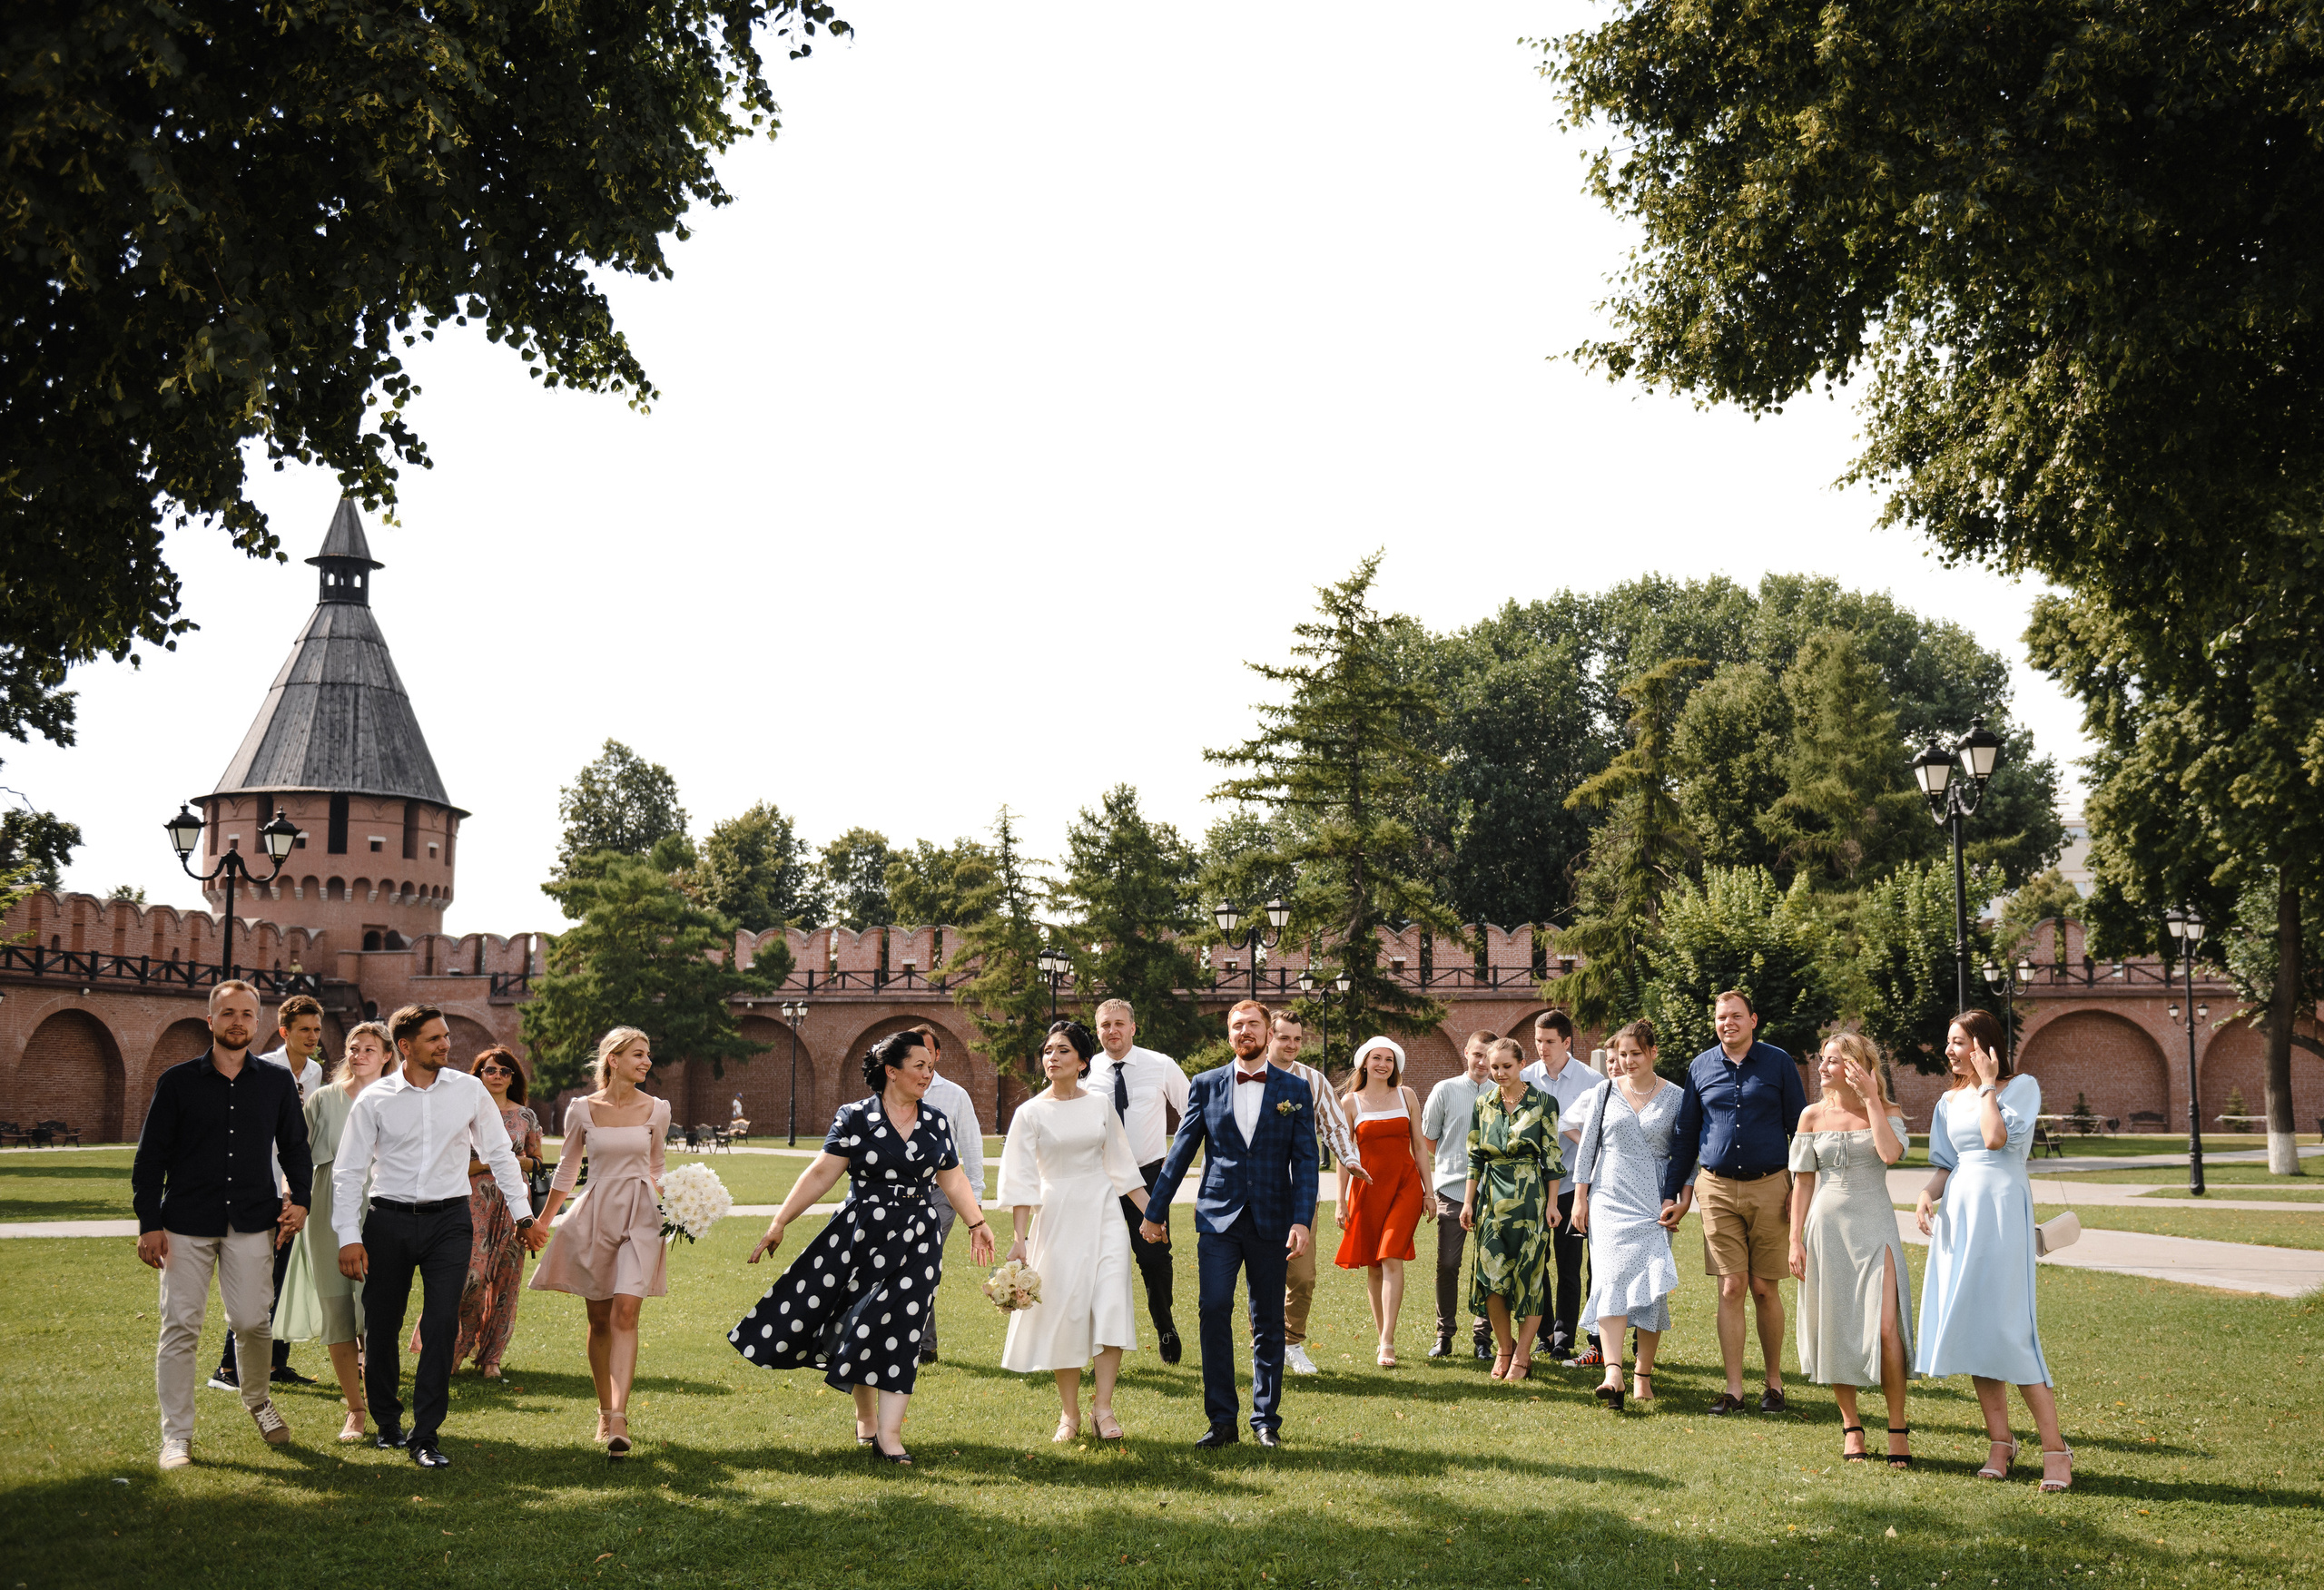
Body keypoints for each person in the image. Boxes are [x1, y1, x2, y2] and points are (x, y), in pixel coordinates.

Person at [734, 1031, 996, 1466]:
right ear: (891, 1070)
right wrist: (780, 1222)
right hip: (863, 1236)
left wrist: (977, 1223)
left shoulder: (936, 1122)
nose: (927, 1075)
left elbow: (952, 1178)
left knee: (906, 1329)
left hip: (919, 1236)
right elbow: (822, 1173)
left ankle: (890, 1436)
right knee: (862, 1323)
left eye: (931, 1068)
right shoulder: (854, 1117)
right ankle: (866, 1416)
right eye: (919, 1066)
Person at [334, 1005, 542, 1469]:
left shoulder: (468, 1090)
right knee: (382, 1323)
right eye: (434, 1039)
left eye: (446, 1036)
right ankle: (387, 1423)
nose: (446, 1044)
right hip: (388, 1220)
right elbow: (348, 1171)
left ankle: (425, 1435)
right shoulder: (375, 1098)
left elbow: (500, 1155)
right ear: (405, 1046)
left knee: (442, 1323)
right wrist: (348, 1235)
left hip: (450, 1220)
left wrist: (524, 1217)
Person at [132, 980, 312, 1468]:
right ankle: (177, 1435)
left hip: (253, 1220)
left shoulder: (276, 1083)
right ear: (210, 1020)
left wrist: (301, 1201)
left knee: (253, 1322)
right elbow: (150, 1158)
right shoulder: (177, 1082)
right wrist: (149, 1222)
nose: (238, 1022)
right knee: (180, 1327)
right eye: (228, 1013)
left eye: (247, 1014)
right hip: (185, 1223)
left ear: (258, 1022)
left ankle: (257, 1400)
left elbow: (296, 1147)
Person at [1138, 999, 1316, 1448]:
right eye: (1237, 1026)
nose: (1245, 1032)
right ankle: (1221, 1421)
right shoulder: (1206, 1084)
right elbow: (1181, 1151)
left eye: (1253, 1025)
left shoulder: (1294, 1089)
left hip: (1273, 1220)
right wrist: (1154, 1211)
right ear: (1230, 1034)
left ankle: (1266, 1420)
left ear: (1268, 1034)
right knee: (1214, 1309)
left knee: (1268, 1318)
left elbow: (1306, 1161)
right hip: (1218, 1218)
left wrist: (1302, 1220)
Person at [1915, 1009, 2073, 1492]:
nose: (1949, 1050)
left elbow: (1994, 1138)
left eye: (1958, 1042)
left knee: (2010, 1330)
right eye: (1948, 1041)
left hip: (2002, 1213)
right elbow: (1947, 1165)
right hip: (1960, 1217)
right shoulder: (1947, 1101)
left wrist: (1987, 1085)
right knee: (1976, 1332)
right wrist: (1925, 1194)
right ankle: (2000, 1444)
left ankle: (2055, 1450)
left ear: (1984, 1046)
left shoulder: (2020, 1087)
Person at [998, 1021, 1150, 1440]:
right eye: (1048, 1051)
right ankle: (1070, 1414)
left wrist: (1151, 1215)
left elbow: (1122, 1166)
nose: (1052, 1057)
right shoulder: (1030, 1112)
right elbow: (1021, 1180)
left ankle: (1104, 1409)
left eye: (1063, 1050)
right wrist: (1019, 1239)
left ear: (1083, 1061)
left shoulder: (1100, 1105)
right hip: (1057, 1217)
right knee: (1066, 1312)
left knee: (1110, 1304)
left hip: (1103, 1214)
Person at [1662, 989, 1807, 1415]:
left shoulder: (1779, 1063)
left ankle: (1774, 1384)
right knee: (1731, 1286)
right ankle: (1734, 1389)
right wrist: (1674, 1193)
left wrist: (1798, 1188)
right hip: (1717, 1189)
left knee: (1764, 1287)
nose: (1728, 1023)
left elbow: (1800, 1131)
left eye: (1736, 1016)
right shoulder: (1701, 1066)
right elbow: (1686, 1134)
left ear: (1753, 1020)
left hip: (1771, 1187)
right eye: (1721, 1017)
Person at [529, 1027, 667, 1458]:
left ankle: (620, 1418)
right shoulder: (582, 1109)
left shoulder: (657, 1109)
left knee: (626, 1311)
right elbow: (568, 1168)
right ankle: (605, 1411)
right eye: (638, 1055)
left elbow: (658, 1166)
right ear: (613, 1059)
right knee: (599, 1318)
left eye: (648, 1055)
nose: (646, 1062)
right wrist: (544, 1222)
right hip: (595, 1214)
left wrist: (682, 1206)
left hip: (642, 1216)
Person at [1788, 1033, 1916, 1465]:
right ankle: (1852, 1427)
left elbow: (1890, 1153)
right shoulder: (1811, 1116)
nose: (1822, 1068)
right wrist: (1794, 1240)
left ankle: (1897, 1426)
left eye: (1831, 1061)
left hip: (1875, 1225)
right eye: (1822, 1060)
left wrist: (1872, 1100)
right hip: (1825, 1228)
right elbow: (1803, 1182)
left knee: (1886, 1329)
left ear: (1857, 1067)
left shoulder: (1887, 1111)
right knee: (1835, 1326)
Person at [276, 1020, 392, 1442]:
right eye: (353, 1048)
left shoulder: (398, 1098)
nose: (359, 1055)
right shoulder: (323, 1099)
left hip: (381, 1206)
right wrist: (291, 1198)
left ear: (387, 1056)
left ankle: (383, 1404)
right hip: (326, 1206)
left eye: (369, 1049)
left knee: (376, 1311)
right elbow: (295, 1155)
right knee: (339, 1311)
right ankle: (355, 1410)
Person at [1570, 1019, 1688, 1411]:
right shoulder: (1603, 1092)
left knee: (1652, 1286)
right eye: (1622, 1054)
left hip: (1654, 1203)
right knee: (1608, 1279)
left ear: (1653, 1052)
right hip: (1608, 1198)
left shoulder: (1677, 1097)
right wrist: (1580, 1198)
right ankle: (1613, 1373)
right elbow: (1587, 1148)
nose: (1628, 1061)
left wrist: (1683, 1200)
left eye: (1636, 1053)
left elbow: (1685, 1156)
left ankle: (1642, 1376)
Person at [213, 991, 328, 1391]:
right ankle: (229, 1368)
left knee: (285, 1278)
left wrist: (300, 1190)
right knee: (259, 1282)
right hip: (265, 1187)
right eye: (304, 1029)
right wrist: (279, 1187)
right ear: (284, 1032)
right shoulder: (262, 1069)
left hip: (297, 1188)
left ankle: (276, 1364)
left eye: (317, 1029)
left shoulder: (315, 1073)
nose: (312, 1036)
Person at [1263, 1009, 1367, 1376]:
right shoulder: (1250, 1076)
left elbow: (1335, 1126)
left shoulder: (1312, 1080)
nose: (1292, 1045)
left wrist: (1350, 1160)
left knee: (1302, 1276)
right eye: (1284, 1038)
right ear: (1268, 1037)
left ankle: (1292, 1343)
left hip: (1301, 1195)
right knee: (1263, 1275)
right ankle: (1264, 1345)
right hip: (1256, 1194)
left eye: (1297, 1039)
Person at [431, 1046, 544, 1379]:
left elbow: (538, 1162)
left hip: (513, 1206)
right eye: (490, 1070)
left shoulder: (526, 1116)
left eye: (504, 1071)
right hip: (471, 1204)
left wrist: (518, 1162)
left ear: (513, 1078)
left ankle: (492, 1357)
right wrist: (493, 1161)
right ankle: (457, 1347)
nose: (497, 1076)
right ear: (478, 1075)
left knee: (507, 1280)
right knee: (471, 1278)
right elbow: (450, 1163)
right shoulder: (462, 1113)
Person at [1089, 998, 1191, 1363]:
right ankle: (1098, 1340)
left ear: (1133, 1028)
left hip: (1148, 1175)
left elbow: (1192, 1112)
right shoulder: (1086, 1070)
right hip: (1098, 1178)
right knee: (1098, 1261)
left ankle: (1165, 1325)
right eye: (1105, 1025)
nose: (1112, 1031)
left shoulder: (1160, 1065)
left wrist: (1173, 1160)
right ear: (1097, 1030)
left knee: (1153, 1257)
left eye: (1119, 1023)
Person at [1461, 1037, 1562, 1382]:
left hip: (1531, 1200)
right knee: (1490, 1277)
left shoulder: (1544, 1102)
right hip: (1491, 1199)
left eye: (1507, 1066)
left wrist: (1552, 1204)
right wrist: (1468, 1201)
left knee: (1530, 1277)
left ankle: (1522, 1355)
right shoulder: (1483, 1103)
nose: (1500, 1073)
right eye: (1495, 1067)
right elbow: (1475, 1156)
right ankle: (1505, 1348)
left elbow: (1552, 1158)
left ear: (1521, 1063)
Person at [1333, 1035, 1427, 1368]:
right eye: (1377, 1058)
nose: (1383, 1064)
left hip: (1406, 1187)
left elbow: (1419, 1145)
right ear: (1364, 1063)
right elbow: (1344, 1155)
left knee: (1390, 1255)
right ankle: (1382, 1336)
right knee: (1374, 1265)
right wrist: (1340, 1201)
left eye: (1389, 1059)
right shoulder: (1350, 1102)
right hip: (1367, 1188)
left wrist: (1429, 1192)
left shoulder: (1407, 1095)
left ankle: (1387, 1341)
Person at [1519, 1009, 1603, 1363]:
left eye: (1549, 1041)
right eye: (1538, 1041)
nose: (1542, 1048)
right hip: (1533, 1186)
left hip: (1573, 1186)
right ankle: (1545, 1333)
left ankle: (1565, 1337)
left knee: (1570, 1266)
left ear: (1567, 1042)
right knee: (1537, 1263)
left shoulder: (1592, 1080)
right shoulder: (1524, 1078)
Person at [910, 1023, 988, 1364]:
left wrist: (976, 1207)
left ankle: (923, 1346)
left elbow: (971, 1149)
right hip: (903, 1193)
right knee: (907, 1263)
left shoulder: (954, 1095)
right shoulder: (893, 1091)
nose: (921, 1059)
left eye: (927, 1052)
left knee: (921, 1259)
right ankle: (921, 1344)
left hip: (943, 1194)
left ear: (937, 1055)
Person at [1421, 1033, 1495, 1361]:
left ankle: (1483, 1338)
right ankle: (1444, 1334)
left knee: (1489, 1266)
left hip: (1493, 1192)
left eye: (1488, 1056)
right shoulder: (1445, 1090)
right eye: (1477, 1054)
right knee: (1448, 1264)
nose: (1482, 1062)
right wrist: (1453, 1161)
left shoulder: (1501, 1092)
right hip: (1452, 1189)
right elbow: (1429, 1138)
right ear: (1466, 1052)